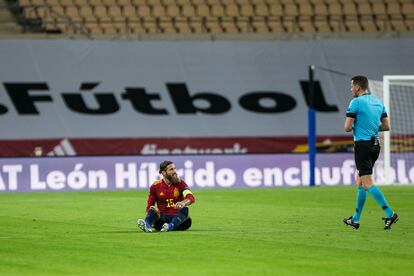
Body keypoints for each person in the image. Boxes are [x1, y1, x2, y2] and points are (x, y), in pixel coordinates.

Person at [343, 75, 398, 230]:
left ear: (358, 87)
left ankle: (390, 213)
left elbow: (347, 127)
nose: (351, 88)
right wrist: (372, 127)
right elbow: (386, 126)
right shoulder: (378, 102)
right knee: (359, 181)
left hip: (363, 146)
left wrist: (358, 127)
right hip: (375, 145)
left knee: (367, 183)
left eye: (352, 86)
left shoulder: (356, 102)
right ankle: (355, 219)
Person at [137, 160, 195, 232]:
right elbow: (149, 205)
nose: (175, 171)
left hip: (180, 221)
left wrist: (183, 203)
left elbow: (190, 197)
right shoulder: (155, 186)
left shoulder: (181, 183)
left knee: (185, 209)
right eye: (171, 169)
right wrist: (151, 216)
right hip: (162, 220)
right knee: (152, 208)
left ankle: (170, 226)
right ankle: (147, 225)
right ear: (163, 173)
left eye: (175, 168)